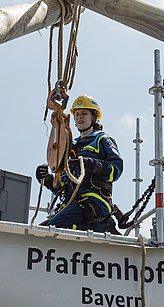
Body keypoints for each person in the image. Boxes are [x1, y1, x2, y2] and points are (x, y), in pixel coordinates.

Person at [36, 95, 123, 233]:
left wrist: (89, 164)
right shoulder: (70, 145)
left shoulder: (102, 140)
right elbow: (64, 187)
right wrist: (47, 180)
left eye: (84, 113)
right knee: (44, 229)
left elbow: (116, 170)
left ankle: (102, 226)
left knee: (54, 227)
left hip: (95, 201)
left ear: (94, 117)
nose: (79, 117)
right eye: (76, 114)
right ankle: (99, 228)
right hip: (73, 204)